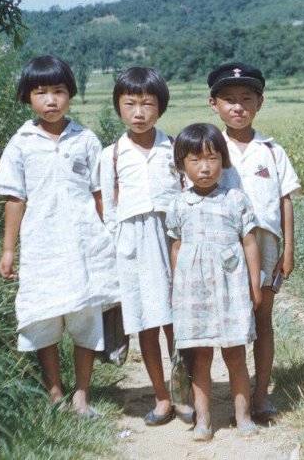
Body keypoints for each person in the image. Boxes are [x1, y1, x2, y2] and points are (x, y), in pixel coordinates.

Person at [0, 55, 117, 416]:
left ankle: (82, 394)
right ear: (27, 98)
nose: (51, 100)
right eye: (41, 92)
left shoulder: (86, 139)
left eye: (59, 91)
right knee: (43, 315)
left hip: (84, 242)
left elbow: (100, 195)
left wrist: (108, 236)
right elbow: (14, 198)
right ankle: (54, 393)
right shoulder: (21, 143)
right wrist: (8, 250)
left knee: (85, 315)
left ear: (71, 95)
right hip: (41, 243)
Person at [97, 66, 193, 426]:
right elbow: (108, 207)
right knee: (146, 324)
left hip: (171, 240)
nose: (139, 113)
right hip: (133, 246)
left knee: (176, 320)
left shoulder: (175, 149)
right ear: (118, 107)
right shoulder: (112, 155)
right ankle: (162, 397)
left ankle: (184, 393)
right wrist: (117, 249)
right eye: (130, 104)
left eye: (147, 104)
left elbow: (186, 198)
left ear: (161, 107)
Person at [207, 62, 300, 420]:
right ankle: (236, 395)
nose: (238, 107)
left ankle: (261, 394)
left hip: (265, 243)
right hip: (223, 245)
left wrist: (288, 248)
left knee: (263, 319)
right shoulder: (209, 148)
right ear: (213, 104)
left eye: (246, 98)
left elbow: (285, 200)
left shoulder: (271, 150)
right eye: (229, 100)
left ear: (260, 102)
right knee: (228, 320)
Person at [167, 123, 262, 441]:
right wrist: (175, 290)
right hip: (194, 291)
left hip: (231, 288)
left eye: (211, 158)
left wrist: (254, 285)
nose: (205, 167)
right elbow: (176, 247)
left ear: (223, 160)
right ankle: (203, 419)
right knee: (201, 355)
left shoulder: (236, 200)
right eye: (195, 160)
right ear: (182, 165)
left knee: (235, 354)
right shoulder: (180, 204)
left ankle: (243, 415)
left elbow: (249, 242)